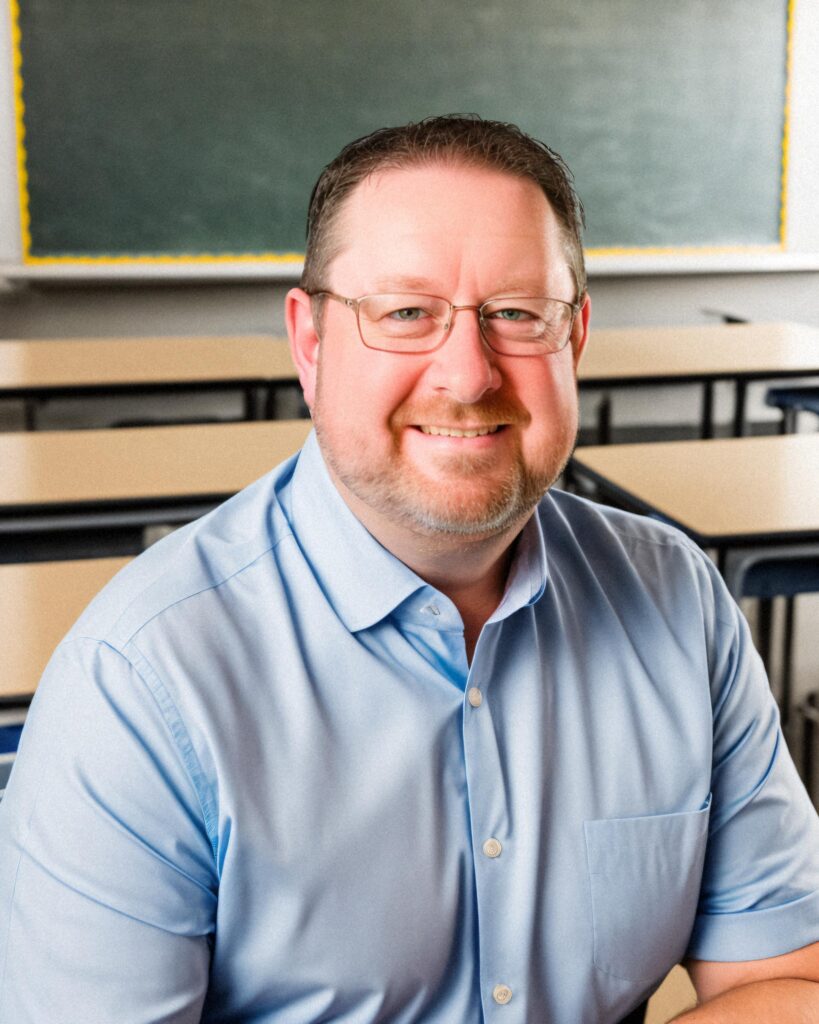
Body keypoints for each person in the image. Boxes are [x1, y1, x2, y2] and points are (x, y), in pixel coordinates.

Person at [0, 115, 817, 1024]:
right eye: (404, 314)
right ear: (309, 341)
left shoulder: (678, 603)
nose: (467, 375)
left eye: (516, 314)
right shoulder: (141, 685)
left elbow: (782, 984)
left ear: (574, 338)